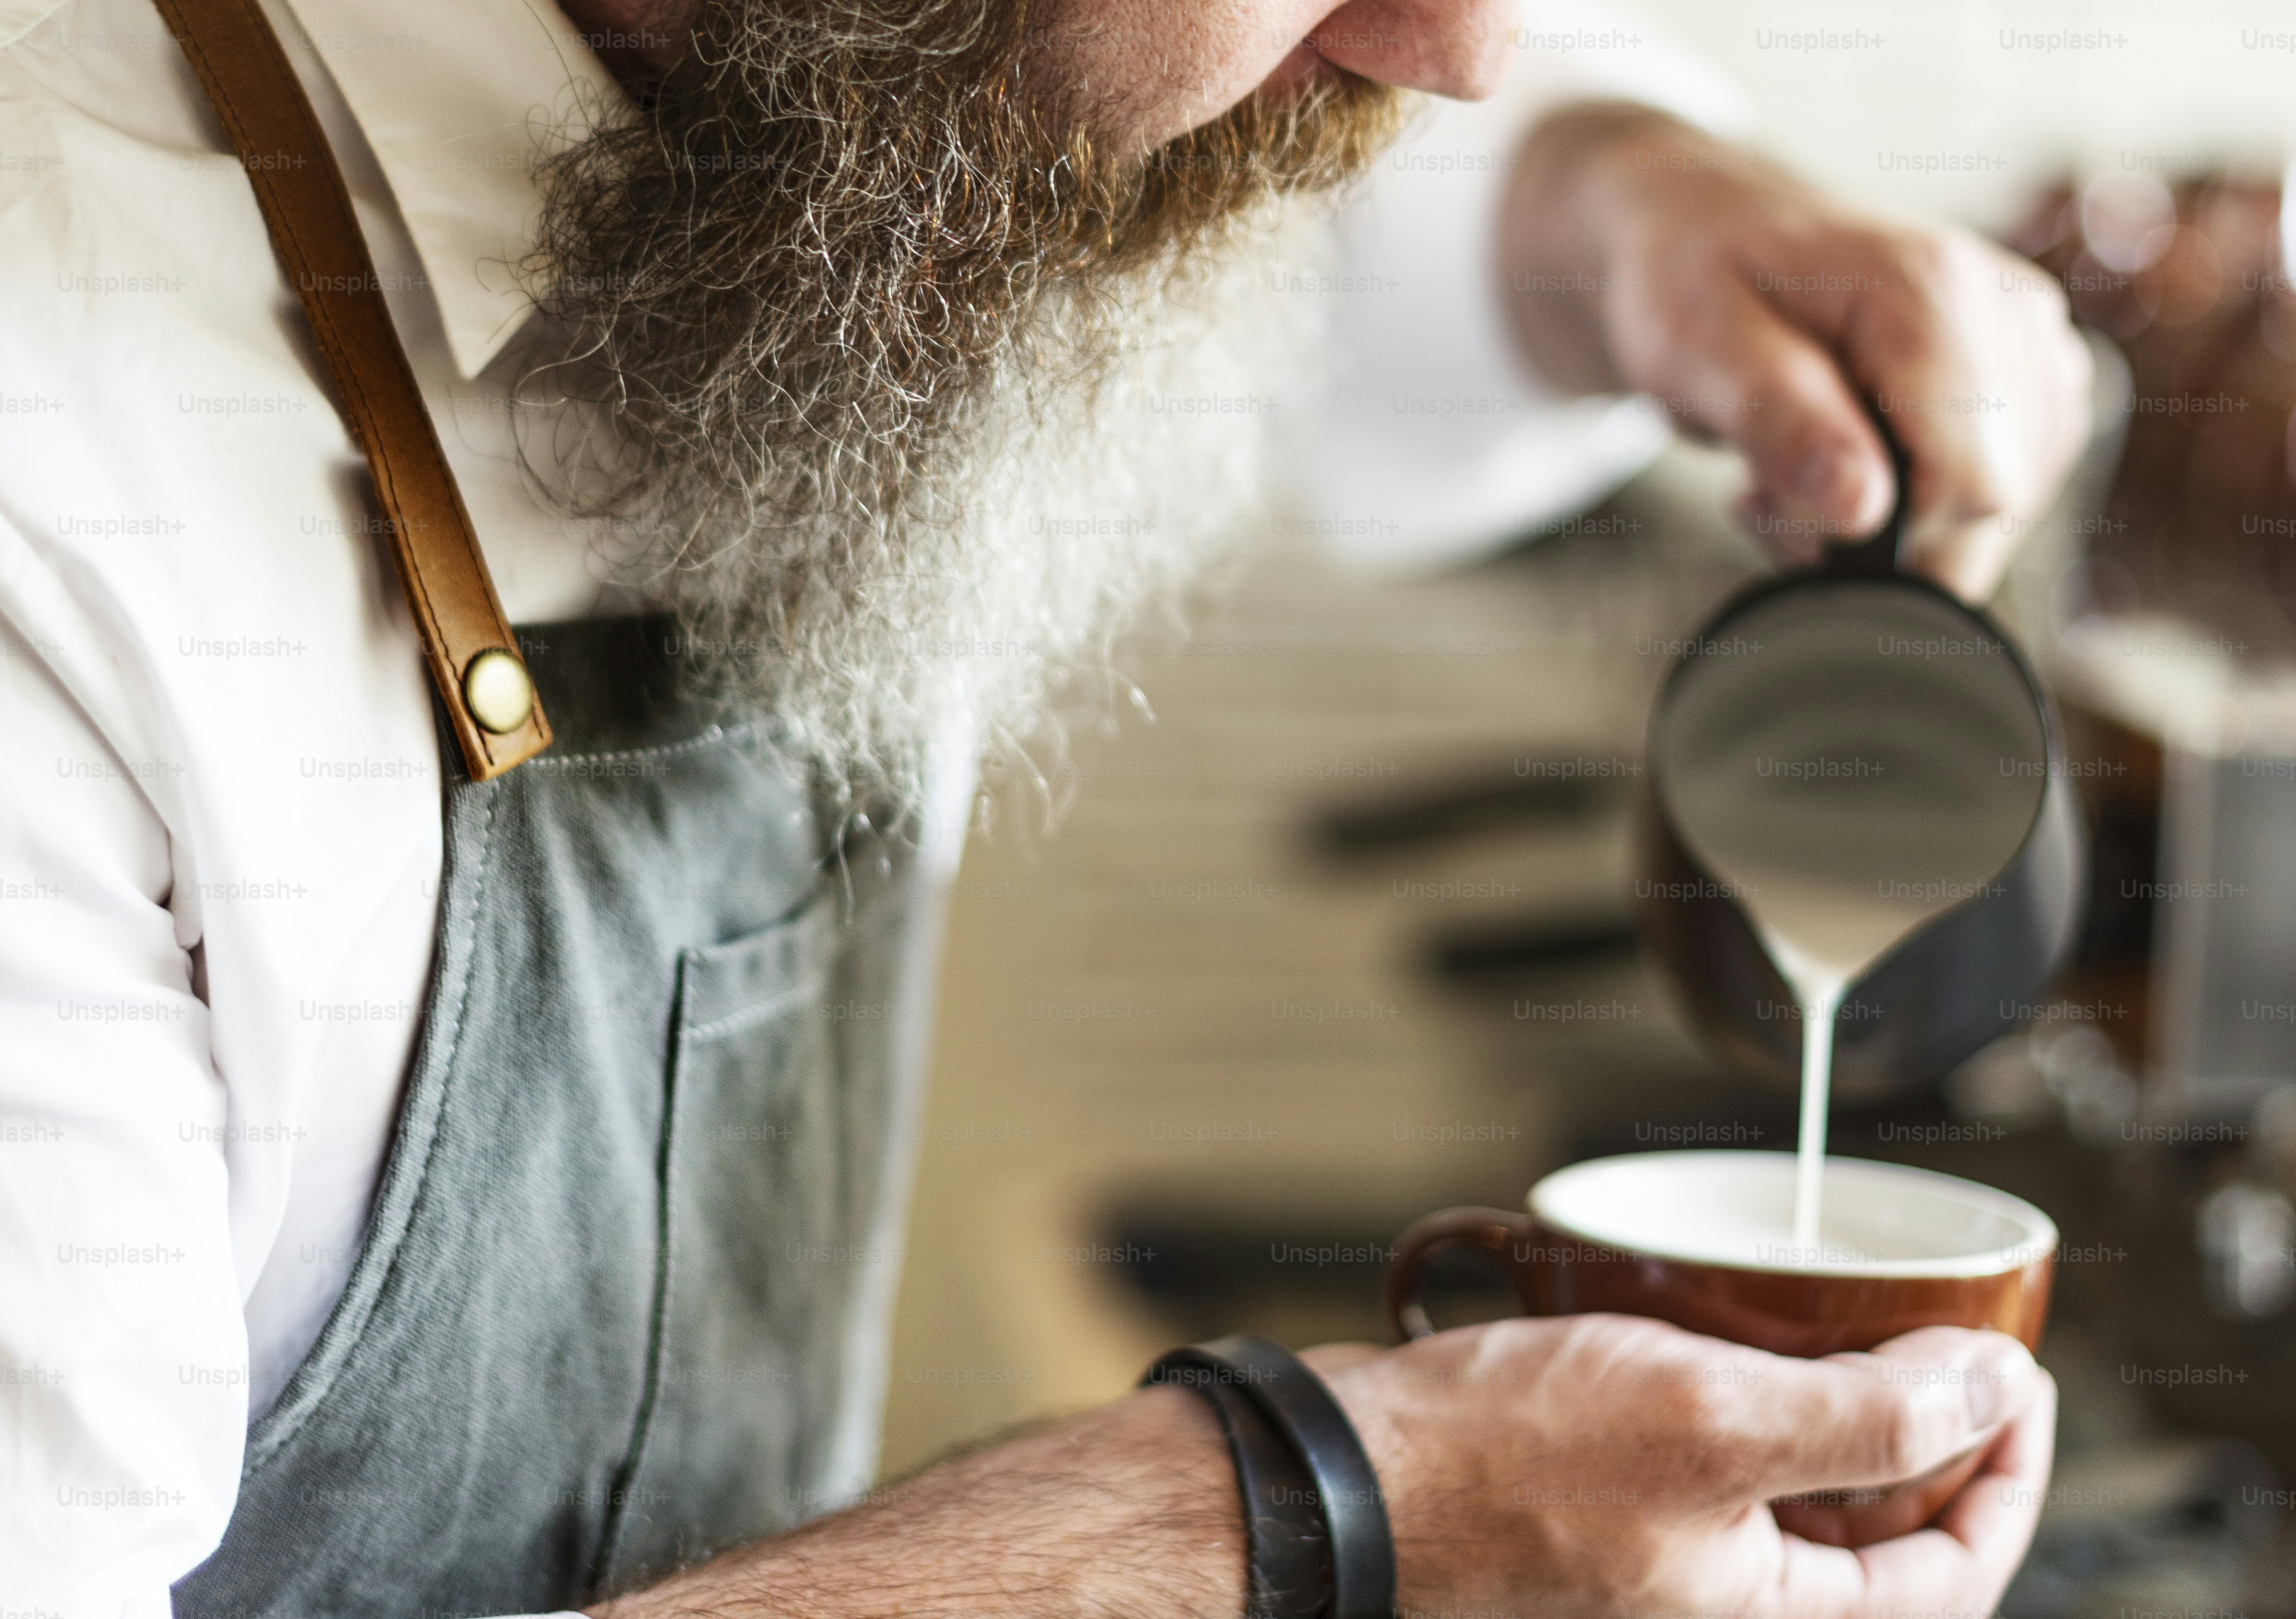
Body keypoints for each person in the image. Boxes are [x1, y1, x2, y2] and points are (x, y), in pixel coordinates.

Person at [0, 0, 2086, 1613]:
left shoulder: (873, 142)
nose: (1455, 55)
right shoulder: (63, 491)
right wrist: (1288, 1519)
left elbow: (1314, 197)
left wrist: (1632, 205)